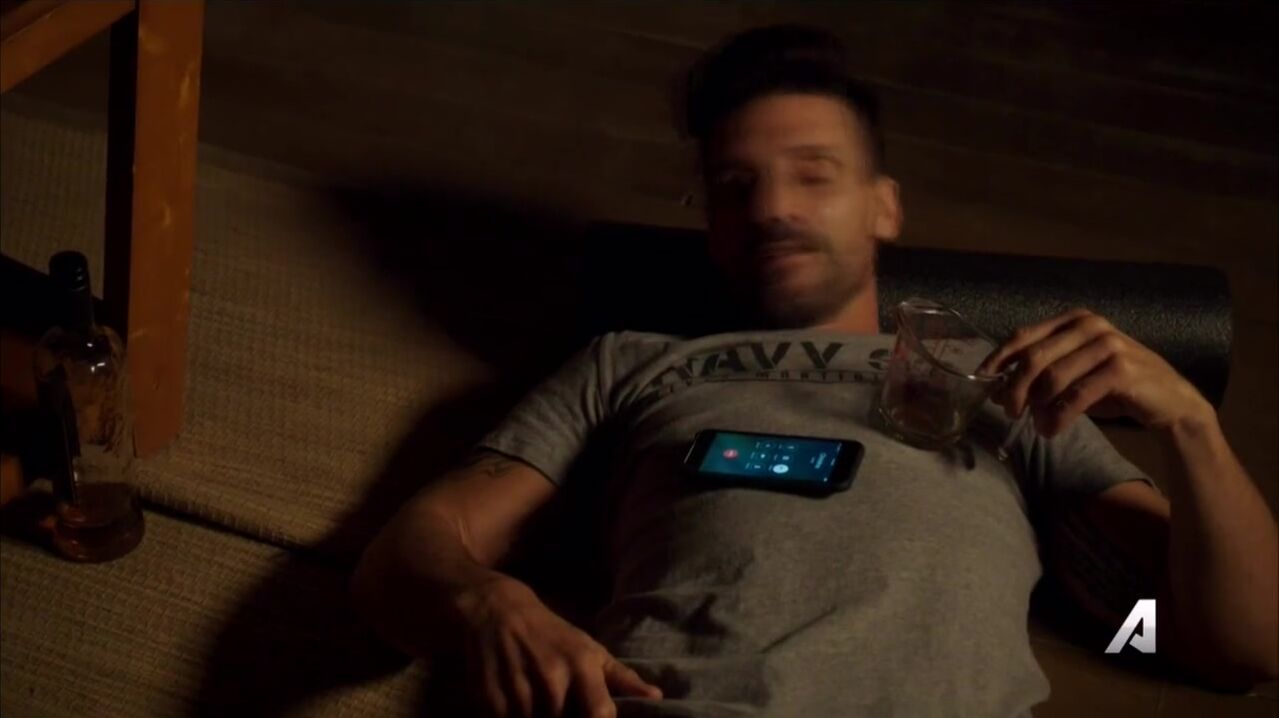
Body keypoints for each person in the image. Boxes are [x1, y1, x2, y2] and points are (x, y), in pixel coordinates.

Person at [351, 25, 1278, 717]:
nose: (772, 208)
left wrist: (1190, 427)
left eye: (813, 173)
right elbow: (402, 562)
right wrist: (488, 603)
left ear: (883, 207)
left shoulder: (997, 381)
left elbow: (1238, 646)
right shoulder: (628, 362)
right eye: (735, 185)